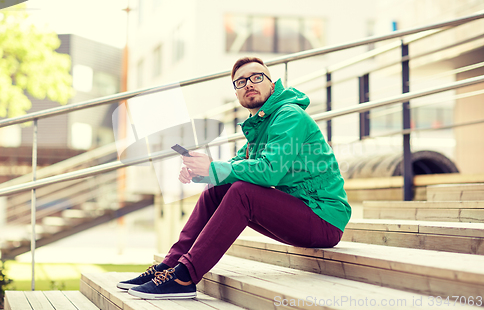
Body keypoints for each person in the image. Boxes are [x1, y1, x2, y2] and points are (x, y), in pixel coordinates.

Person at [117, 57, 351, 300]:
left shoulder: (289, 116)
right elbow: (235, 165)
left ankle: (185, 276)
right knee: (217, 190)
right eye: (240, 82)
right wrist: (201, 171)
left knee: (242, 192)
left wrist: (212, 168)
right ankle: (169, 267)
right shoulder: (260, 125)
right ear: (237, 93)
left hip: (323, 218)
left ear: (272, 85)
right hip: (300, 212)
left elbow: (269, 171)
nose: (249, 84)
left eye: (256, 77)